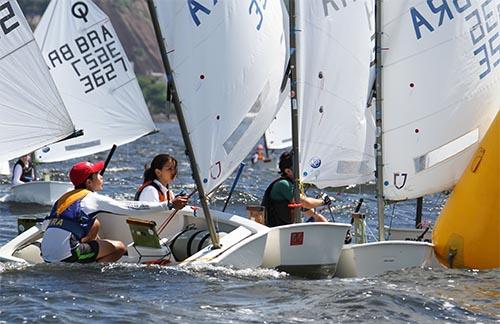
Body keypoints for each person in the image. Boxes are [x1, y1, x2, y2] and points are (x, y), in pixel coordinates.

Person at [41, 160, 174, 264]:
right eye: (98, 174)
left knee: (95, 223)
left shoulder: (63, 198)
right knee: (120, 247)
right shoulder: (92, 198)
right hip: (66, 255)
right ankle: (92, 271)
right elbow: (129, 208)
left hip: (46, 254)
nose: (102, 176)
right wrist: (167, 205)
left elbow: (45, 226)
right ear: (88, 182)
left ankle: (86, 258)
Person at [261, 151, 330, 227]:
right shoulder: (284, 184)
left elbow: (314, 215)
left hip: (284, 229)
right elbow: (306, 203)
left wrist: (330, 228)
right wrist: (324, 201)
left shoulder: (293, 186)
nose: (301, 170)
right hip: (272, 229)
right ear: (288, 171)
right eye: (297, 167)